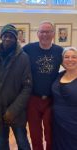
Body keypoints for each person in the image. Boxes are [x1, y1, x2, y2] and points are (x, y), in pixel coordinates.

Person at [0, 24, 32, 150]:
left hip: (17, 112)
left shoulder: (23, 58)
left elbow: (27, 87)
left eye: (11, 36)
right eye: (5, 36)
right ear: (1, 37)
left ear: (16, 39)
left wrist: (13, 110)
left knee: (23, 143)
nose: (7, 39)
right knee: (1, 143)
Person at [23, 21, 63, 150]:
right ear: (37, 34)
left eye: (48, 32)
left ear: (53, 34)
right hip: (33, 99)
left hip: (51, 100)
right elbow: (12, 56)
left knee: (50, 134)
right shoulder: (28, 49)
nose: (45, 34)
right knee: (35, 134)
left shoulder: (59, 51)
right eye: (42, 32)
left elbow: (71, 63)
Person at [52, 47, 77, 150]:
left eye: (74, 57)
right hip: (57, 124)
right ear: (62, 60)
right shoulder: (59, 75)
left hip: (74, 125)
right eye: (66, 57)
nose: (70, 60)